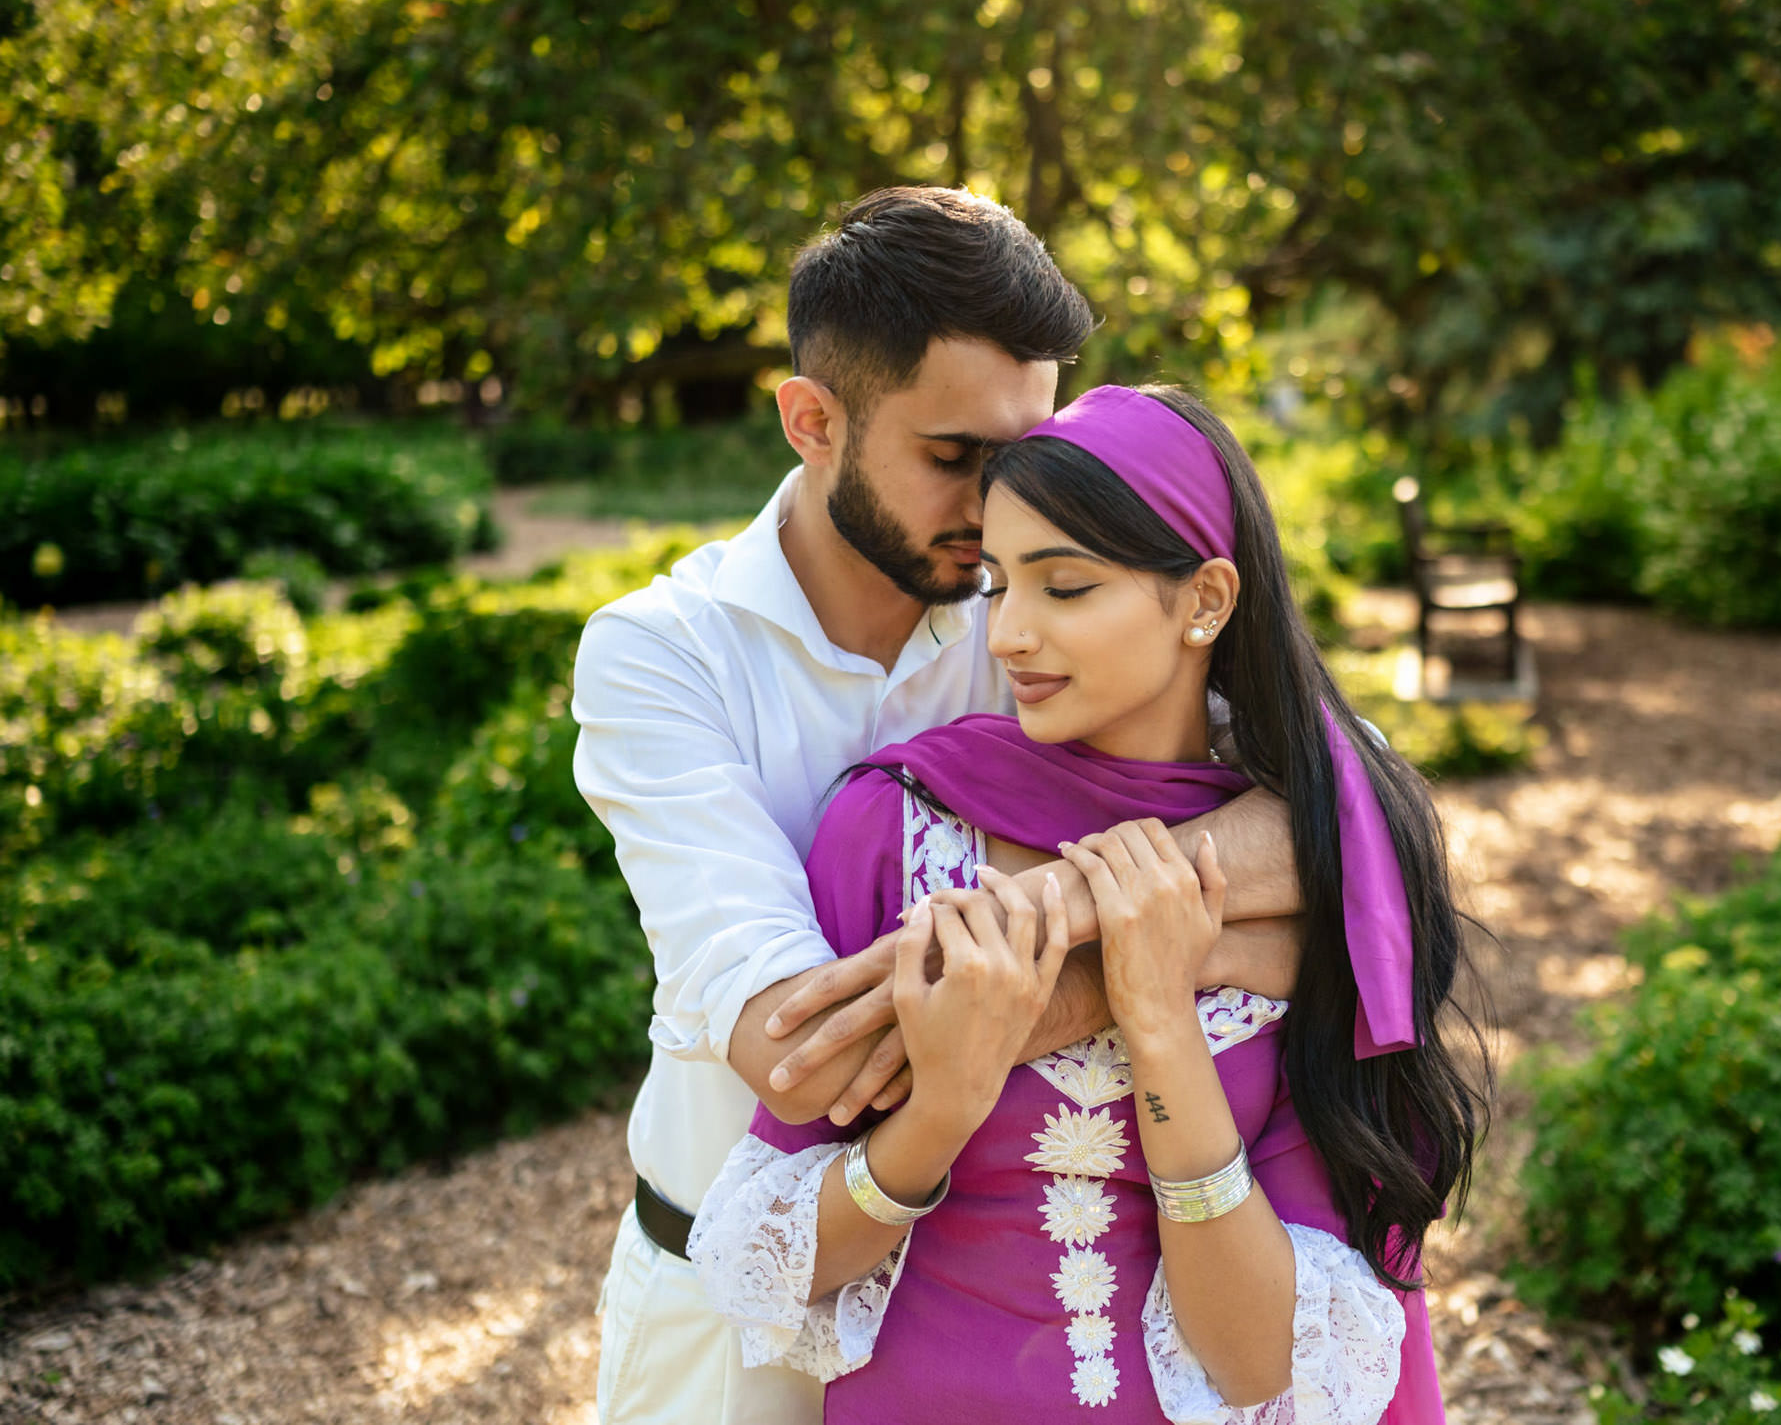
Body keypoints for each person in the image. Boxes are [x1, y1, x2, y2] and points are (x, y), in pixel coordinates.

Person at [572, 192, 1308, 1425]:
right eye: (955, 457)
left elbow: (1357, 820)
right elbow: (805, 1062)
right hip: (736, 1308)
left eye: (1023, 450)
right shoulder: (664, 655)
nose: (998, 499)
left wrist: (1062, 904)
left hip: (966, 1324)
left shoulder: (1029, 608)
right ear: (812, 420)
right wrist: (1145, 965)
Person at [687, 385, 1492, 1422]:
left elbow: (1256, 1364)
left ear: (1204, 599)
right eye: (996, 584)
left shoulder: (1325, 859)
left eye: (1064, 587)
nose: (1010, 633)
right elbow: (774, 1261)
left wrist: (1158, 1020)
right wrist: (940, 1106)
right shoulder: (894, 829)